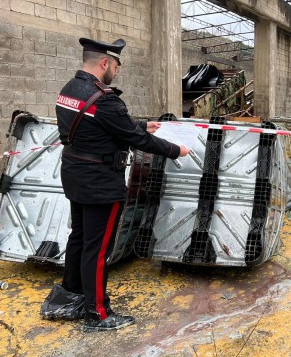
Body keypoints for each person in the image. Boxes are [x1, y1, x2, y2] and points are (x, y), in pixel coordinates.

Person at [40, 37, 189, 332]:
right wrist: (175, 150)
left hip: (75, 174)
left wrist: (141, 124)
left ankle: (72, 294)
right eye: (117, 65)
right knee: (98, 250)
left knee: (80, 239)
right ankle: (99, 314)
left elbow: (104, 123)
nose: (118, 71)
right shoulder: (105, 99)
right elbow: (135, 139)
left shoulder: (69, 90)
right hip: (101, 183)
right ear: (105, 63)